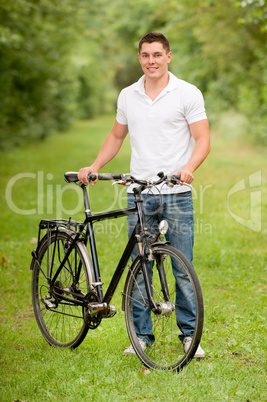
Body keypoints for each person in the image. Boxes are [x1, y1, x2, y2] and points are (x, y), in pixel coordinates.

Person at [78, 32, 210, 358]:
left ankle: (189, 338)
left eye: (157, 55)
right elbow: (116, 135)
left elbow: (203, 139)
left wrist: (189, 167)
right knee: (139, 264)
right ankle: (141, 337)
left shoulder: (187, 93)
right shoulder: (127, 95)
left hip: (176, 191)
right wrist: (94, 165)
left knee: (183, 268)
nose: (151, 61)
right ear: (140, 58)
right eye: (145, 55)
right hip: (139, 192)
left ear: (168, 56)